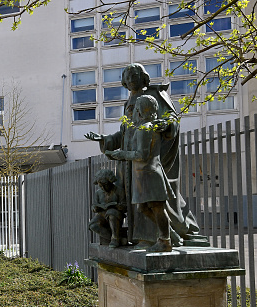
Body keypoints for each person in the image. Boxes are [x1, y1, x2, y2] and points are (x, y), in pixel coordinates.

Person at [85, 63, 203, 247]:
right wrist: (105, 139)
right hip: (131, 164)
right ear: (124, 81)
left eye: (135, 75)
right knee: (139, 204)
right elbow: (125, 133)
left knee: (157, 203)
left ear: (144, 78)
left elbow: (172, 118)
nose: (131, 80)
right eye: (128, 76)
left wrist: (166, 126)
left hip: (147, 160)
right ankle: (152, 236)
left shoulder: (154, 95)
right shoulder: (128, 103)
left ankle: (163, 236)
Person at [106, 95, 174, 252]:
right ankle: (168, 234)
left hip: (149, 174)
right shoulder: (146, 127)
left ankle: (165, 240)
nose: (134, 112)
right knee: (143, 209)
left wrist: (121, 154)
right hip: (143, 175)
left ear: (141, 111)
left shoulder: (145, 129)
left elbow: (141, 154)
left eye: (136, 108)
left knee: (157, 207)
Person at [89, 169, 126, 248]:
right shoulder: (98, 193)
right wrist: (95, 208)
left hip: (115, 215)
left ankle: (115, 238)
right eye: (101, 186)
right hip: (102, 214)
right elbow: (94, 205)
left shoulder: (119, 191)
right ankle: (114, 238)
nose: (103, 188)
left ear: (110, 182)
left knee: (111, 213)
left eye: (105, 185)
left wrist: (117, 206)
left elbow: (124, 206)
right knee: (93, 225)